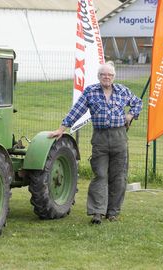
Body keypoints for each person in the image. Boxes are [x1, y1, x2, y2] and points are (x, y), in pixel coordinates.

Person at [49, 62, 142, 224]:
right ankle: (97, 212)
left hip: (119, 137)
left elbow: (138, 103)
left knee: (119, 176)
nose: (107, 77)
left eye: (110, 75)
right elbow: (76, 110)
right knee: (100, 174)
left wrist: (130, 115)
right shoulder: (91, 92)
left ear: (114, 77)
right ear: (99, 76)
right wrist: (62, 128)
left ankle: (112, 212)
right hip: (100, 138)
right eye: (104, 75)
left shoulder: (122, 91)